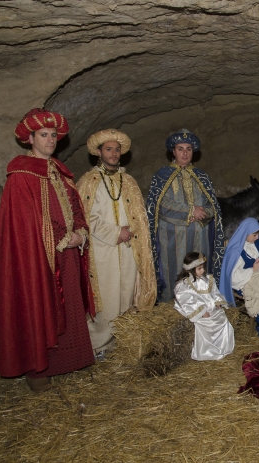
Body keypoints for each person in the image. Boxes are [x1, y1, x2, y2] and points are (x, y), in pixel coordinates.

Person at [0, 108, 95, 392]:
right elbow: (29, 223)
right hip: (38, 258)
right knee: (40, 306)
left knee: (70, 305)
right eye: (44, 135)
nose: (50, 140)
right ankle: (38, 369)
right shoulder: (21, 175)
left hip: (67, 253)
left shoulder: (61, 173)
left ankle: (70, 361)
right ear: (29, 139)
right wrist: (64, 238)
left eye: (54, 135)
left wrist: (80, 232)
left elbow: (76, 208)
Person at [76, 129, 157, 358]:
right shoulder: (88, 182)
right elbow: (84, 218)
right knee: (107, 299)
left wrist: (132, 235)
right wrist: (115, 232)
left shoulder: (128, 181)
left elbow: (139, 217)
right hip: (102, 251)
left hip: (128, 249)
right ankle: (97, 345)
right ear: (99, 153)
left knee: (126, 295)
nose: (113, 154)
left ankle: (120, 344)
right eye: (108, 149)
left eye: (117, 149)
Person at [146, 129, 226, 302]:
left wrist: (203, 212)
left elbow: (212, 205)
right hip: (173, 239)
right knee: (175, 273)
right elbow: (161, 206)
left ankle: (201, 305)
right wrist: (190, 211)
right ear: (173, 151)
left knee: (199, 273)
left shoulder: (202, 176)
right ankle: (172, 306)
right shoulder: (162, 176)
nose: (184, 153)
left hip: (200, 236)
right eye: (180, 148)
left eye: (188, 149)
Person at [174, 252, 234, 360]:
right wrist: (201, 312)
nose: (203, 271)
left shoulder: (207, 279)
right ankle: (208, 351)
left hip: (211, 308)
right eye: (199, 268)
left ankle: (222, 346)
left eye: (203, 268)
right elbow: (187, 301)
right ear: (190, 269)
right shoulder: (184, 285)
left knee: (222, 319)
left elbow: (214, 292)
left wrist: (217, 301)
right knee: (207, 325)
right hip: (201, 311)